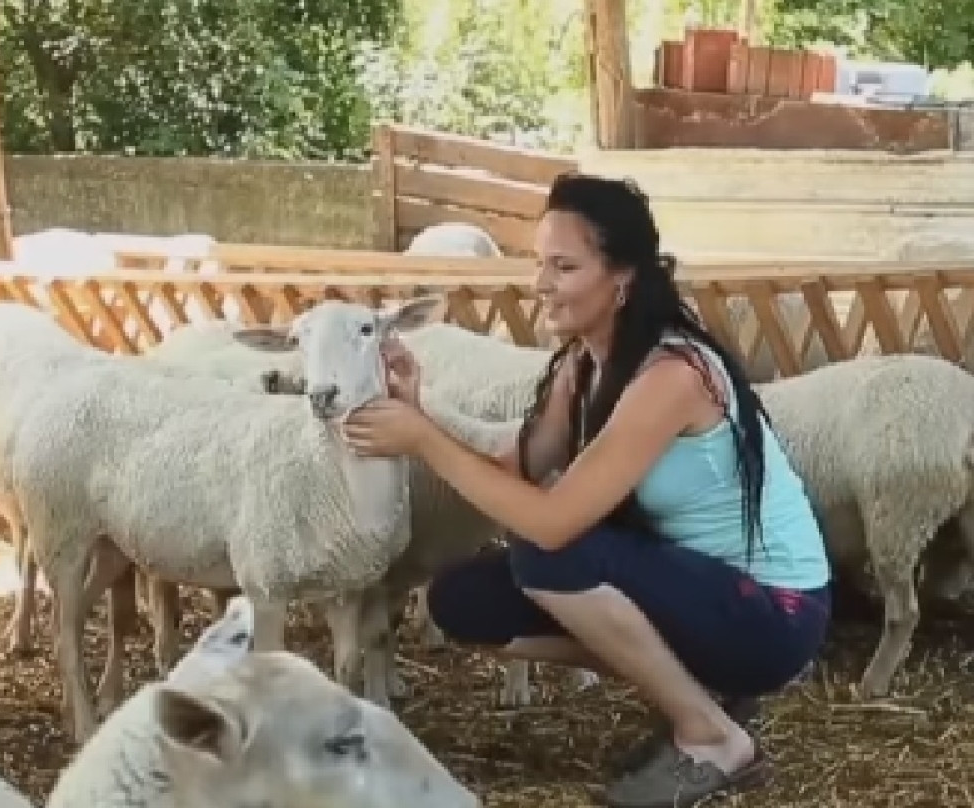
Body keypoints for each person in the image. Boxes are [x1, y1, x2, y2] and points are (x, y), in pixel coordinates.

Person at [342, 172, 832, 808]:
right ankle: (698, 690)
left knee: (549, 552)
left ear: (622, 278)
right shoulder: (584, 363)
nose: (540, 284)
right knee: (460, 600)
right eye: (539, 263)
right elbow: (516, 466)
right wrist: (419, 411)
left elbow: (551, 526)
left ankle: (712, 737)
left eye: (564, 266)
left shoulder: (673, 375)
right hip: (692, 588)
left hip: (773, 614)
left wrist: (423, 443)